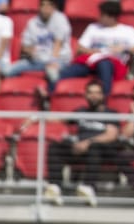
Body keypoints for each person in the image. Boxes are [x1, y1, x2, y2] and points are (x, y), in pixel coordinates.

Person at [43, 78, 118, 206]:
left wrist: (87, 143)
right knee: (55, 147)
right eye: (90, 92)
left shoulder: (110, 113)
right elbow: (61, 119)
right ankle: (55, 187)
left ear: (102, 95)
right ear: (86, 95)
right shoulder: (81, 112)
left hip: (99, 151)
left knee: (95, 147)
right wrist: (36, 118)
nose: (94, 96)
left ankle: (88, 187)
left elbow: (111, 135)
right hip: (79, 149)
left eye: (97, 93)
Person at [58, 1, 134, 94]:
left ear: (112, 17)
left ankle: (104, 98)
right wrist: (93, 51)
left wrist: (123, 48)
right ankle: (50, 92)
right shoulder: (93, 28)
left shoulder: (127, 31)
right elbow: (80, 49)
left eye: (102, 15)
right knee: (68, 72)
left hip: (113, 64)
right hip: (92, 62)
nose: (98, 17)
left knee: (104, 64)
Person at [6, 0, 71, 85]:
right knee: (8, 70)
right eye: (43, 5)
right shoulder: (32, 22)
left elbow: (58, 43)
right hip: (37, 60)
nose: (45, 8)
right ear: (39, 7)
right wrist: (30, 51)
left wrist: (53, 61)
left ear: (53, 7)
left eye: (48, 5)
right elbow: (25, 46)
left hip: (58, 60)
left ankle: (50, 93)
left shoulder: (60, 19)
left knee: (52, 72)